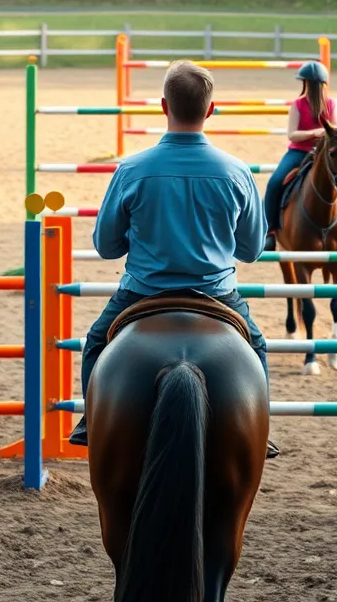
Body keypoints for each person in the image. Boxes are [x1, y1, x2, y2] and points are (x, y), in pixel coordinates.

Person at [68, 60, 277, 458]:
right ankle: (258, 427)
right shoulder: (237, 172)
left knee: (96, 341)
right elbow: (251, 250)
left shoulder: (131, 169)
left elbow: (106, 247)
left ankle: (91, 423)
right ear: (210, 111)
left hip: (143, 293)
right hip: (217, 295)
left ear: (164, 106)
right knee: (258, 347)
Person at [262, 61, 337, 253]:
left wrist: (326, 133)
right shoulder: (298, 105)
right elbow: (292, 135)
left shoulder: (333, 104)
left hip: (326, 154)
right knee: (274, 182)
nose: (311, 87)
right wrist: (314, 133)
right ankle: (270, 232)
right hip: (298, 152)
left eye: (311, 83)